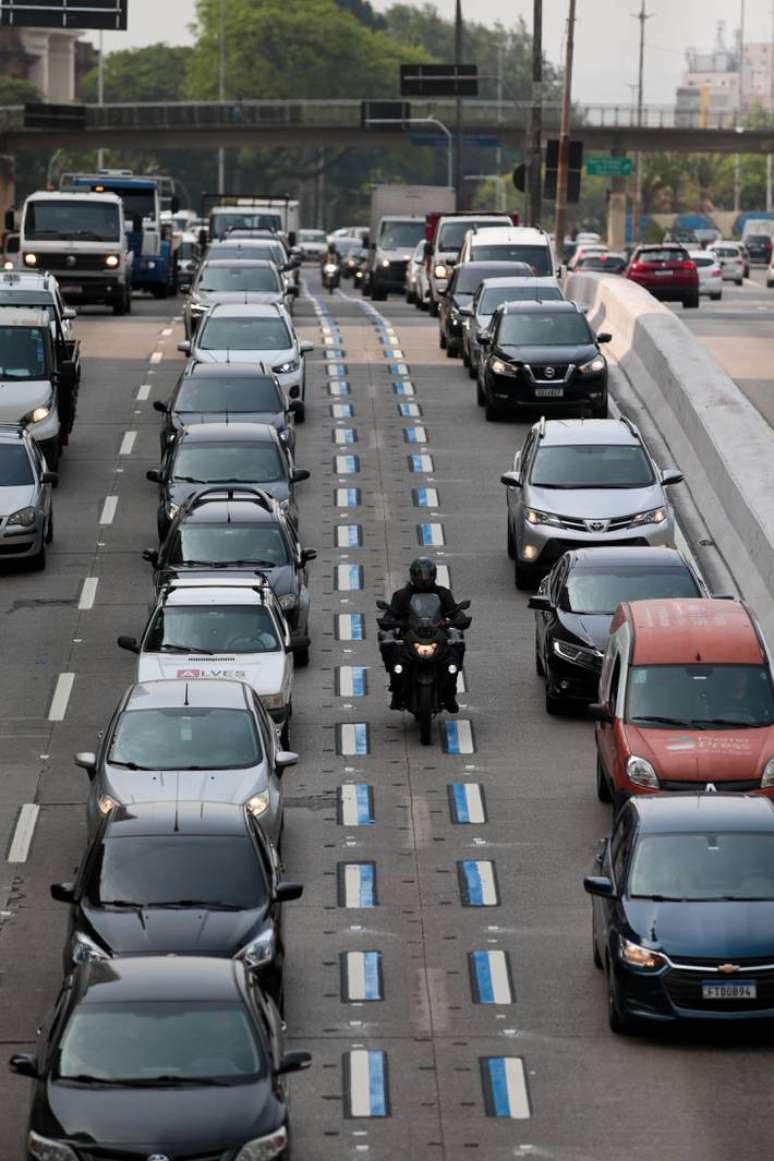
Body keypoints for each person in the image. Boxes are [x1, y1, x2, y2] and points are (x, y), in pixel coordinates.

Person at [379, 557, 465, 713]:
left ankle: (450, 692)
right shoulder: (401, 595)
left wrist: (459, 618)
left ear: (433, 575)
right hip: (409, 638)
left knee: (456, 648)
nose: (423, 579)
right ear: (413, 575)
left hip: (436, 637)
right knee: (389, 646)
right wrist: (390, 621)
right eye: (420, 574)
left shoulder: (443, 594)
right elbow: (390, 615)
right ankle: (396, 689)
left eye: (427, 574)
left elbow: (454, 612)